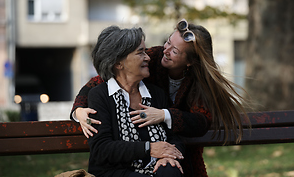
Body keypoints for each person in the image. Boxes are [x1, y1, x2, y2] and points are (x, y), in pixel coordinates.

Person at [71, 19, 250, 177]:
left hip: (175, 152)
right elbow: (106, 77)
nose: (165, 50)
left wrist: (165, 118)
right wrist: (78, 110)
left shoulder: (191, 84)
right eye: (168, 42)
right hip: (124, 165)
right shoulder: (153, 58)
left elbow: (200, 122)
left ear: (189, 62)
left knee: (172, 169)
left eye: (175, 51)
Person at [86, 26, 185, 177]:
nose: (148, 58)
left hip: (154, 168)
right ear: (118, 63)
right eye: (140, 53)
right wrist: (148, 148)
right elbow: (101, 148)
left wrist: (167, 155)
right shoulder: (99, 96)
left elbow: (174, 137)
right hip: (114, 172)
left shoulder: (156, 93)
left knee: (170, 170)